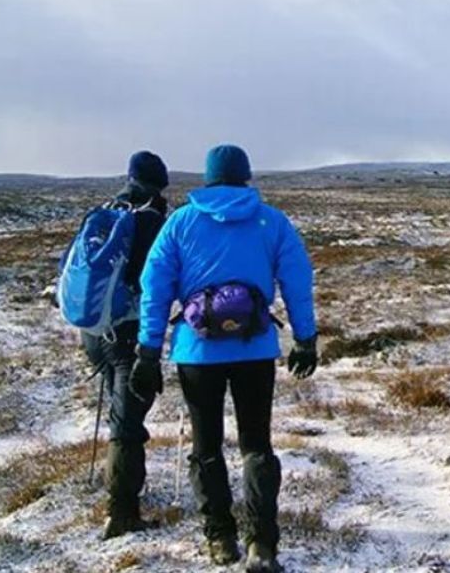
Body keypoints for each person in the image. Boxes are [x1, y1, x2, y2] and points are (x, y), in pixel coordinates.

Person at [130, 144, 318, 572]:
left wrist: (147, 350)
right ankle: (262, 546)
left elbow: (154, 287)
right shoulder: (272, 221)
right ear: (246, 176)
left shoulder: (179, 223)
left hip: (196, 354)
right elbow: (297, 279)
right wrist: (305, 339)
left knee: (206, 447)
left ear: (208, 178)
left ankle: (220, 539)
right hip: (255, 350)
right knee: (257, 447)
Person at [81, 150, 170, 539]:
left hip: (94, 331)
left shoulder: (102, 211)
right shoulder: (151, 219)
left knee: (122, 416)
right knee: (128, 424)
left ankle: (122, 495)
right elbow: (159, 275)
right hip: (130, 333)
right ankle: (121, 512)